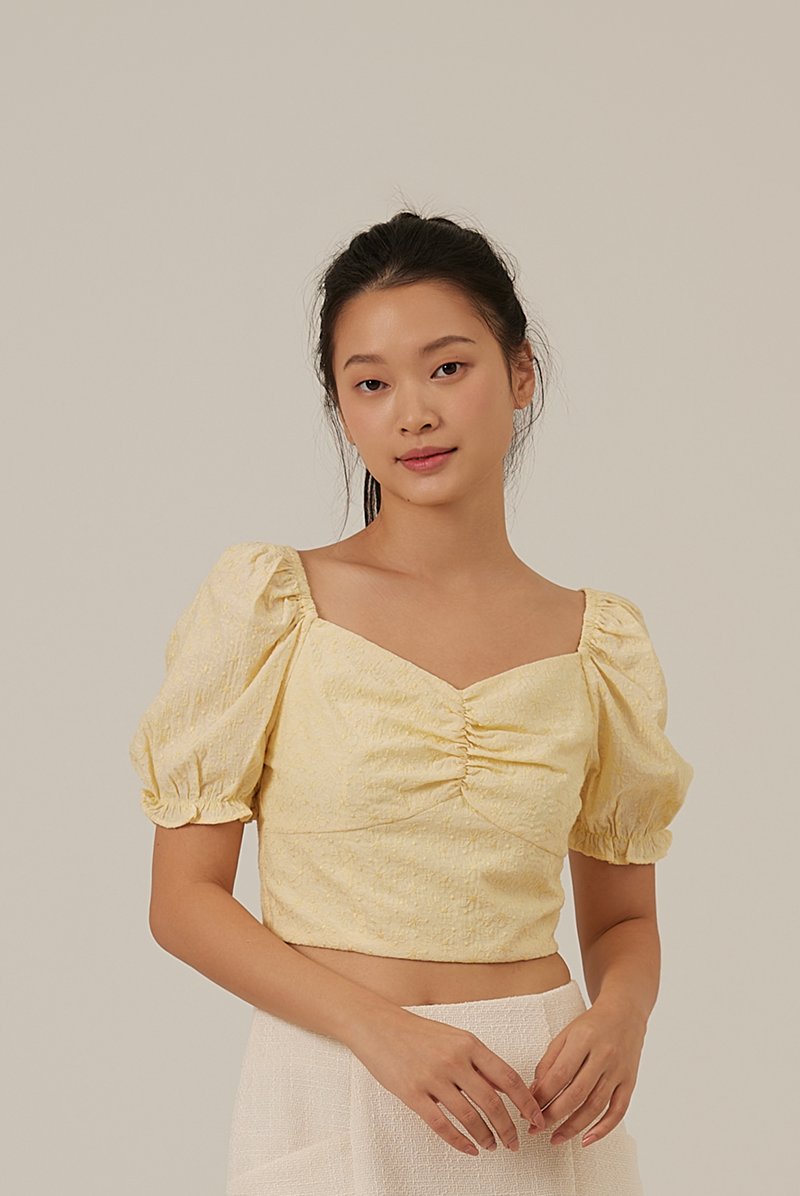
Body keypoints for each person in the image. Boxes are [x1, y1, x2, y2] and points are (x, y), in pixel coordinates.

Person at [130, 210, 693, 1195]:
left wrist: (620, 1016)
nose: (413, 413)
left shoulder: (596, 643)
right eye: (371, 383)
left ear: (520, 373)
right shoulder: (273, 605)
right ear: (342, 408)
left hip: (537, 1103)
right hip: (337, 1078)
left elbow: (620, 922)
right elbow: (182, 902)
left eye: (447, 368)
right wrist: (377, 1030)